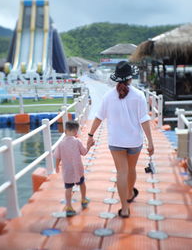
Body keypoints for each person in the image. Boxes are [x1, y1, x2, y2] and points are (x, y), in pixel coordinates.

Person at [87, 61, 154, 218]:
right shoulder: (138, 95)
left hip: (116, 142)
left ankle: (124, 208)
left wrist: (90, 136)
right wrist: (150, 142)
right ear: (130, 78)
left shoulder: (108, 96)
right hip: (134, 141)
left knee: (121, 172)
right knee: (131, 170)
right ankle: (129, 193)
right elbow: (144, 119)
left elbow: (98, 117)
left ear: (116, 78)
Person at [54, 120, 94, 217]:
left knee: (68, 188)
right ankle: (83, 199)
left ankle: (68, 206)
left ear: (65, 131)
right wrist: (89, 145)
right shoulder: (77, 141)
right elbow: (84, 153)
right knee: (82, 184)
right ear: (76, 132)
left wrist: (56, 167)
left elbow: (57, 157)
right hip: (78, 170)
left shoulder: (60, 144)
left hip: (67, 171)